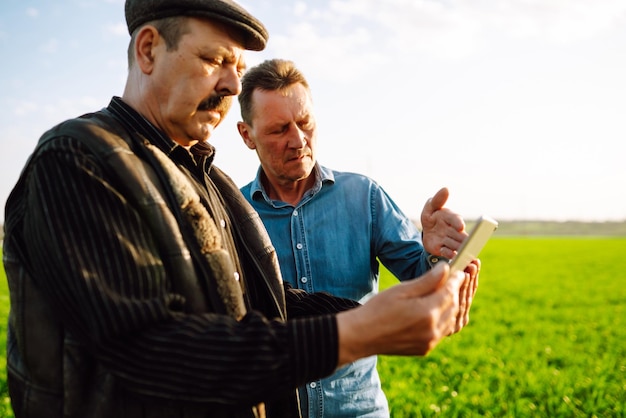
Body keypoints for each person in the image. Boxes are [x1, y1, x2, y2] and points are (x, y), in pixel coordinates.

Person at [3, 1, 479, 417]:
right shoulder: (78, 160)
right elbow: (146, 347)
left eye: (237, 65)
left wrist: (418, 295)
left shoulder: (204, 176)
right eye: (215, 59)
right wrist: (353, 332)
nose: (233, 83)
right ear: (148, 50)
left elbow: (263, 300)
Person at [237, 58, 477, 417]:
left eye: (305, 123)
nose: (298, 140)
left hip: (358, 409)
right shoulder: (233, 212)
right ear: (247, 135)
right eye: (279, 130)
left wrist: (434, 256)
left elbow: (424, 281)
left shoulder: (364, 195)